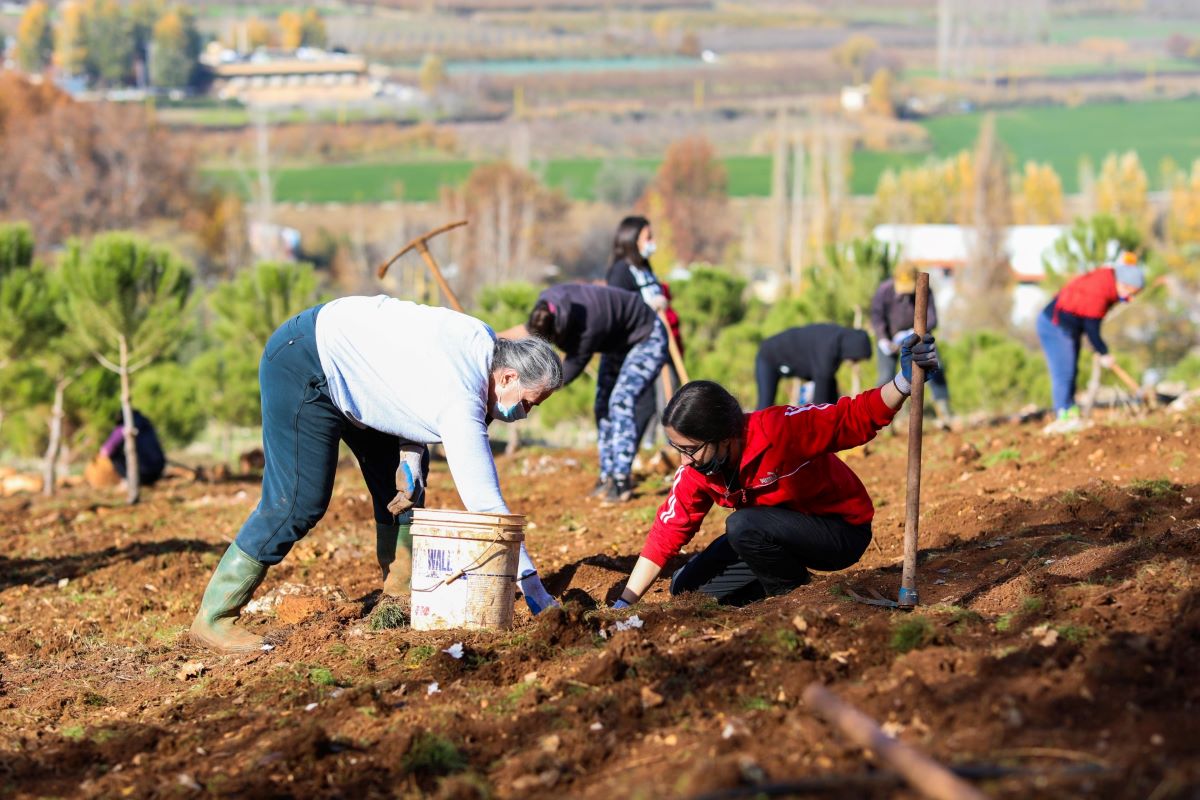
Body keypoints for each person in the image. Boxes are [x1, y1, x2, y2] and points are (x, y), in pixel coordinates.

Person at [190, 296, 565, 654]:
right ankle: (214, 617)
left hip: (357, 370)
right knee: (297, 503)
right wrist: (533, 588)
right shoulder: (462, 395)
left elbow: (411, 392)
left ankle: (399, 594)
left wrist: (411, 458)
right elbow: (486, 504)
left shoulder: (482, 343)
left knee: (402, 489)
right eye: (530, 402)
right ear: (508, 377)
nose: (527, 413)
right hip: (305, 362)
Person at [612, 333, 941, 608]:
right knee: (685, 590)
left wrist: (902, 382)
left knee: (741, 524)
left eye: (690, 449)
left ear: (725, 437)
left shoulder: (780, 429)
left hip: (839, 532)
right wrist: (624, 604)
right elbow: (665, 534)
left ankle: (793, 598)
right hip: (774, 534)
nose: (685, 461)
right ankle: (783, 587)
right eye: (677, 449)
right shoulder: (698, 471)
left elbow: (852, 417)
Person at [527, 283, 668, 504]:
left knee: (621, 401)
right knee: (602, 405)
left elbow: (571, 367)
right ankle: (607, 475)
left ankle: (622, 479)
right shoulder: (545, 305)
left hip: (647, 337)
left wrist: (540, 388)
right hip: (617, 343)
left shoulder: (590, 323)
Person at [1036, 251, 1145, 430]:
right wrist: (1104, 353)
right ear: (1123, 284)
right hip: (1053, 325)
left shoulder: (1110, 282)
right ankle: (1063, 414)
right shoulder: (1099, 290)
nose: (1129, 299)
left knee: (1072, 369)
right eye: (1130, 294)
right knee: (1064, 371)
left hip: (1070, 327)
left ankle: (1070, 411)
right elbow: (1091, 328)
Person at [605, 216, 683, 449]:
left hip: (660, 341)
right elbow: (620, 307)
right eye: (648, 237)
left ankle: (678, 448)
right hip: (636, 347)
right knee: (643, 402)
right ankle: (626, 456)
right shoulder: (620, 271)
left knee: (672, 395)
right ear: (632, 239)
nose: (653, 242)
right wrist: (648, 305)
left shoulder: (644, 268)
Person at [871, 262, 953, 424]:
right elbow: (877, 317)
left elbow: (932, 319)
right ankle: (882, 421)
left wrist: (912, 333)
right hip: (889, 341)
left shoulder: (925, 290)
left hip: (917, 338)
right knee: (885, 376)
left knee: (935, 369)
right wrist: (884, 339)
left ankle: (944, 414)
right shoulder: (884, 291)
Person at [755, 324, 872, 410]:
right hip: (769, 356)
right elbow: (820, 404)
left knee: (829, 387)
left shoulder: (835, 342)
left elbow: (829, 391)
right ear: (853, 349)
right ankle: (749, 441)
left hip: (783, 357)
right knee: (765, 408)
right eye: (857, 359)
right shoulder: (827, 350)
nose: (855, 363)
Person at [91, 409, 166, 488]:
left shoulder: (123, 427)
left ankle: (127, 480)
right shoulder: (147, 425)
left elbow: (105, 451)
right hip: (159, 471)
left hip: (141, 474)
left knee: (114, 453)